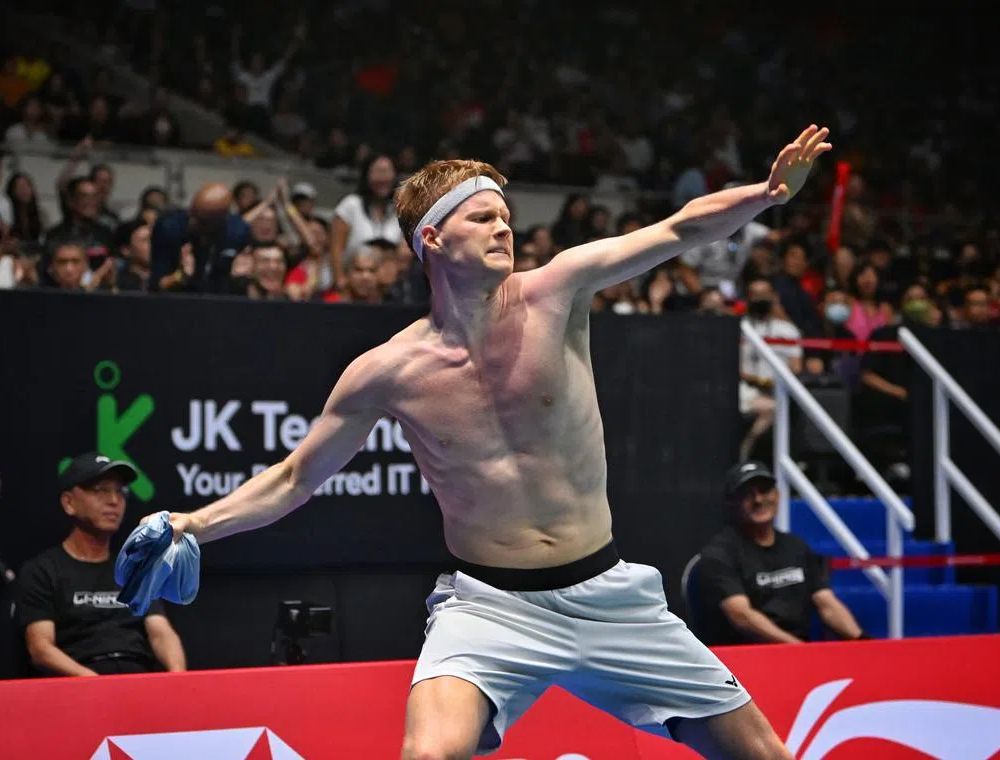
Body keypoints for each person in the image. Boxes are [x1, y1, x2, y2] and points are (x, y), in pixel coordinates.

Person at [146, 125, 832, 759]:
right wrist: (190, 525)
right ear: (434, 241)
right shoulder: (388, 371)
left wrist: (767, 195)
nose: (504, 225)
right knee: (427, 753)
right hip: (489, 608)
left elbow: (679, 227)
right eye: (483, 216)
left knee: (763, 753)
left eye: (506, 214)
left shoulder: (556, 291)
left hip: (609, 594)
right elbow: (297, 477)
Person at [16, 453, 186, 676]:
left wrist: (177, 677)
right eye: (100, 490)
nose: (114, 501)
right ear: (69, 503)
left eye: (120, 491)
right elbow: (41, 648)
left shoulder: (135, 567)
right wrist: (93, 683)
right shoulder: (41, 571)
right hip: (77, 687)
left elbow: (161, 633)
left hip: (137, 681)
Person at [692, 461, 866, 646]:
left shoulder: (796, 546)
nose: (758, 500)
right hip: (745, 659)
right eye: (747, 494)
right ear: (732, 503)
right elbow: (742, 616)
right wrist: (797, 649)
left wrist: (862, 640)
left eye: (765, 490)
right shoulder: (718, 555)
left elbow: (827, 603)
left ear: (777, 494)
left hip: (799, 653)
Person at [149, 184, 251, 294]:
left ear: (222, 219)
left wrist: (242, 277)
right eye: (192, 213)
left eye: (202, 220)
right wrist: (180, 276)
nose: (193, 222)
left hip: (222, 302)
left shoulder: (238, 232)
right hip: (177, 301)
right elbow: (156, 285)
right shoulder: (169, 227)